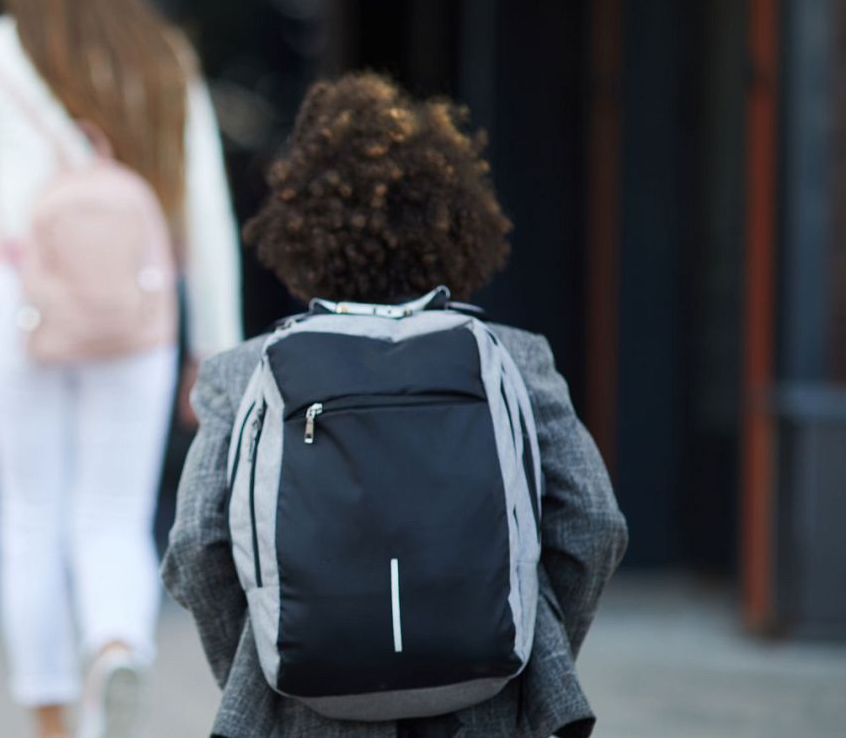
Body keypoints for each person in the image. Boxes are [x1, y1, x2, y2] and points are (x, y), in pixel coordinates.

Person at [162, 72, 629, 738]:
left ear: (298, 229)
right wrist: (517, 638)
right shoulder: (514, 357)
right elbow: (594, 521)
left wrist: (271, 653)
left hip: (307, 708)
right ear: (459, 222)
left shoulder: (243, 373)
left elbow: (195, 544)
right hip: (481, 707)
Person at [0, 0, 242, 738]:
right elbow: (204, 213)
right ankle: (116, 646)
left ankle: (57, 722)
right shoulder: (161, 58)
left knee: (28, 512)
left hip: (13, 301)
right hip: (136, 310)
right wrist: (214, 348)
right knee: (115, 509)